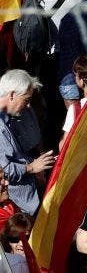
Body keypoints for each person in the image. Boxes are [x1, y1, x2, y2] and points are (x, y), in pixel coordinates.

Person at [0, 70, 55, 215]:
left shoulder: (8, 119)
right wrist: (31, 167)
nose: (29, 105)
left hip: (27, 200)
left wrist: (42, 162)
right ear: (12, 95)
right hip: (16, 209)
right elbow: (4, 171)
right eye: (26, 99)